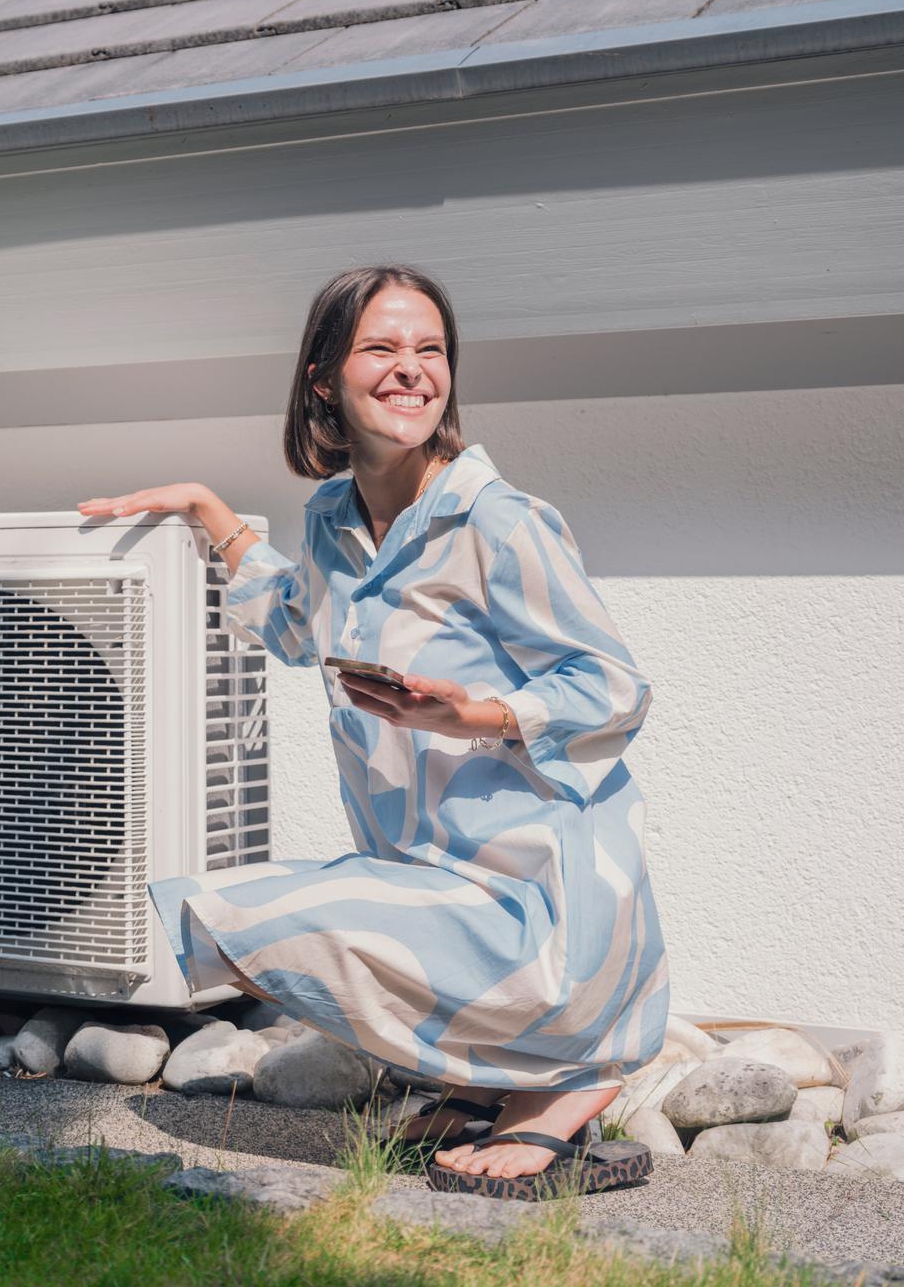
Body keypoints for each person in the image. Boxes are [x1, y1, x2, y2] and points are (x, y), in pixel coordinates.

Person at [76, 264, 668, 1195]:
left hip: (540, 895)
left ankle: (570, 1081)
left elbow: (612, 685)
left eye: (430, 351)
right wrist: (204, 506)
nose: (413, 371)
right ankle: (487, 1082)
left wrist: (474, 713)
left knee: (257, 922)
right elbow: (292, 617)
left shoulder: (500, 523)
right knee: (230, 929)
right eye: (382, 349)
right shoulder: (332, 521)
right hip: (426, 869)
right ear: (323, 380)